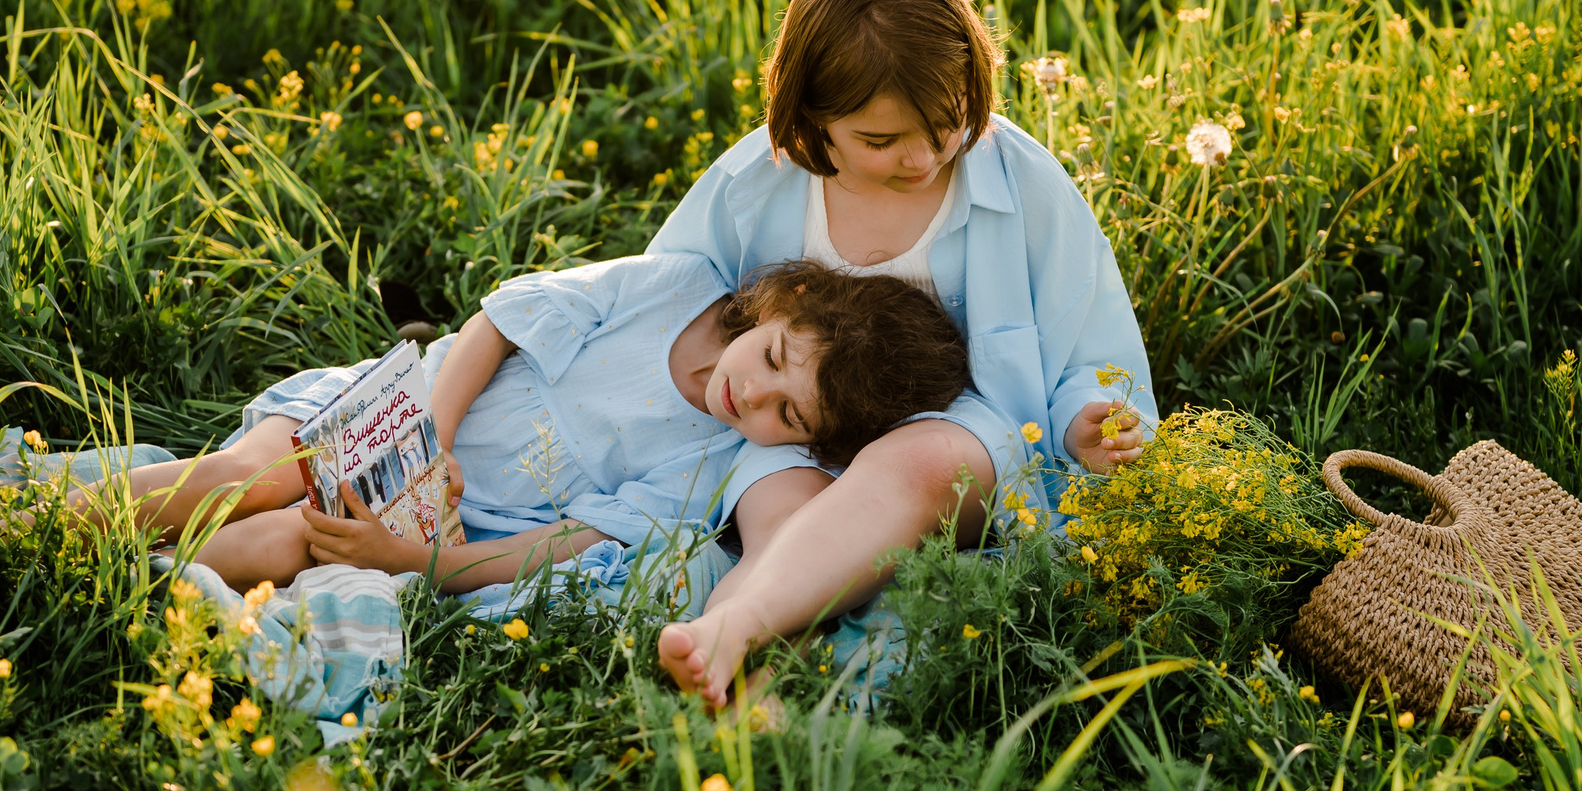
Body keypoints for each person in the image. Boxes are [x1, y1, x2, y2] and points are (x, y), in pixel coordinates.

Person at [651, 0, 1158, 705]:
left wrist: (1085, 420)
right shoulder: (757, 181)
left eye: (945, 122)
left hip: (962, 435)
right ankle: (735, 668)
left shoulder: (1020, 183)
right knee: (783, 516)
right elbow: (663, 301)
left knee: (912, 465)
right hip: (787, 428)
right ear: (811, 118)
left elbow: (1086, 337)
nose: (922, 159)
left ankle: (743, 626)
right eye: (881, 141)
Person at [67, 257, 970, 594]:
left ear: (815, 445)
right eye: (772, 363)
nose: (754, 401)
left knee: (281, 543)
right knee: (255, 474)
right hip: (401, 413)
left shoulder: (718, 465)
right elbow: (498, 322)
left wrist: (411, 560)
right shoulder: (677, 286)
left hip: (435, 521)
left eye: (789, 416)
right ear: (789, 300)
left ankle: (117, 592)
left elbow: (567, 542)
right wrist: (437, 437)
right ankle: (44, 532)